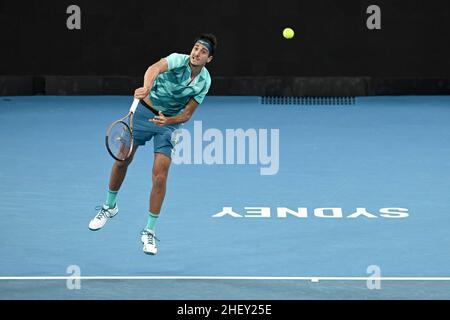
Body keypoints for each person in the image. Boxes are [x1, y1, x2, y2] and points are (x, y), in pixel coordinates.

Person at [88, 33, 217, 255]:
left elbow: (186, 115)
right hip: (143, 113)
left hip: (168, 124)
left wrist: (169, 121)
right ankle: (109, 207)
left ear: (209, 59)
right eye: (195, 48)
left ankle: (149, 230)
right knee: (122, 159)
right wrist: (147, 87)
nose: (196, 53)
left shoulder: (205, 81)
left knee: (160, 175)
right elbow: (154, 68)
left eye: (203, 51)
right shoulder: (178, 59)